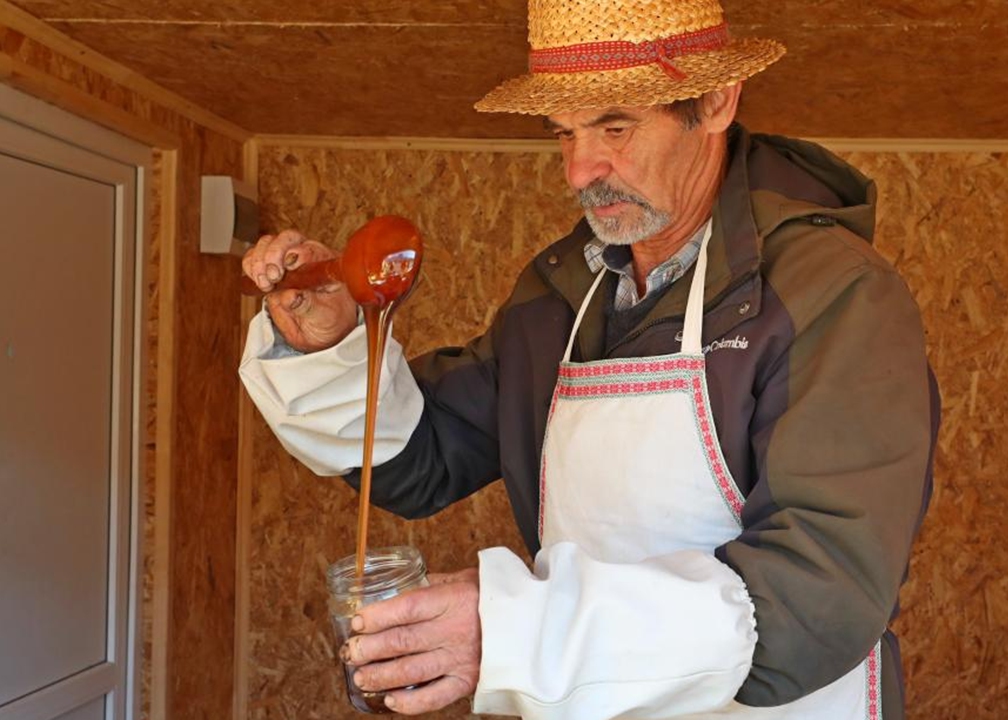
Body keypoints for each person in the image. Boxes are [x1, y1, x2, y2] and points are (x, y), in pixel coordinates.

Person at [239, 0, 940, 717]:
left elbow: (822, 589)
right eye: (564, 133)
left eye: (615, 125)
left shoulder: (831, 293)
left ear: (715, 101)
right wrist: (328, 344)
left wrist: (520, 633)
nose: (579, 171)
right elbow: (421, 460)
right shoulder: (563, 296)